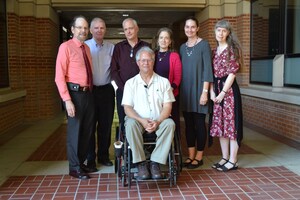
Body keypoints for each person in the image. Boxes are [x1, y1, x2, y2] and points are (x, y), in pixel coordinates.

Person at [122, 46, 175, 180]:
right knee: (130, 123)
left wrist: (157, 121)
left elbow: (168, 106)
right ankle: (141, 163)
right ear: (138, 62)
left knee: (170, 124)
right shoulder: (130, 83)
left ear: (154, 61)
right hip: (138, 121)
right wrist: (142, 120)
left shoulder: (164, 82)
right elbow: (127, 108)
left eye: (149, 60)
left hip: (159, 120)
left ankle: (155, 162)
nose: (146, 63)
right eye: (143, 60)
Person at [55, 16, 94, 179]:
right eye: (79, 27)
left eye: (85, 28)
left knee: (87, 131)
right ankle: (74, 167)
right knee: (75, 132)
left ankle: (80, 162)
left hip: (88, 94)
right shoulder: (66, 47)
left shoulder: (86, 49)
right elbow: (59, 76)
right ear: (72, 30)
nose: (83, 31)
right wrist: (67, 100)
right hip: (74, 94)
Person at [180, 16, 213, 169]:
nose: (190, 29)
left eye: (193, 27)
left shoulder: (204, 45)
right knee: (188, 125)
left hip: (200, 91)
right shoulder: (182, 47)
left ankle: (199, 156)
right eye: (187, 27)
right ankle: (191, 154)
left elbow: (208, 70)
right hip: (186, 92)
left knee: (200, 124)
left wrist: (205, 92)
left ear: (198, 28)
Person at [209, 19, 243, 172]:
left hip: (229, 93)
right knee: (220, 126)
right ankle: (224, 157)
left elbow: (232, 74)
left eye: (224, 30)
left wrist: (222, 93)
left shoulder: (232, 50)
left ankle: (233, 160)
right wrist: (211, 91)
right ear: (215, 32)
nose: (220, 33)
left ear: (228, 33)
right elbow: (210, 74)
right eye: (218, 30)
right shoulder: (214, 51)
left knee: (231, 126)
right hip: (216, 90)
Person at [85, 18, 115, 169]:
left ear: (105, 30)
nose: (99, 30)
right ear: (90, 30)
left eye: (102, 28)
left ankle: (103, 156)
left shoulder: (111, 48)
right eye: (96, 28)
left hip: (107, 91)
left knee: (105, 125)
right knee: (90, 126)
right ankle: (90, 159)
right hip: (90, 92)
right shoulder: (84, 47)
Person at [111, 18, 149, 133]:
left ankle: (143, 147)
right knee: (124, 121)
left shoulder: (146, 46)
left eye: (131, 28)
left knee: (142, 119)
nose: (128, 31)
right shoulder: (118, 47)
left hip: (142, 91)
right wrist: (125, 88)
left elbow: (150, 68)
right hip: (123, 92)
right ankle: (125, 147)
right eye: (125, 29)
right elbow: (114, 71)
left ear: (137, 29)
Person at [154, 27, 182, 133]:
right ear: (157, 40)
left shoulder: (174, 56)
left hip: (170, 95)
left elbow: (177, 78)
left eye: (166, 38)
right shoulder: (153, 55)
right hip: (155, 95)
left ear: (170, 41)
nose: (163, 40)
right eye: (161, 37)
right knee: (157, 121)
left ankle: (174, 146)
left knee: (172, 122)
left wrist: (168, 91)